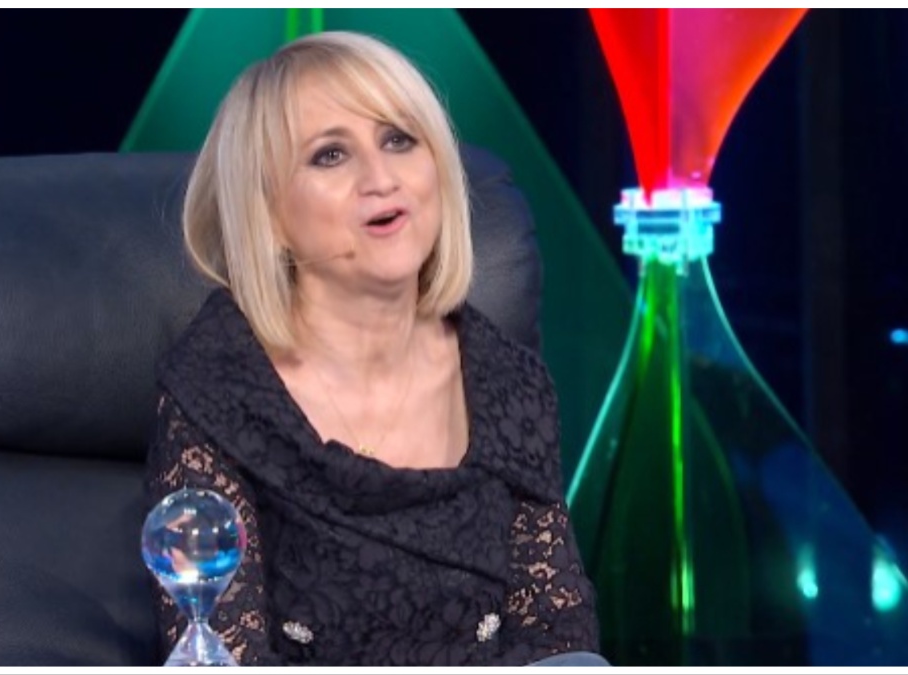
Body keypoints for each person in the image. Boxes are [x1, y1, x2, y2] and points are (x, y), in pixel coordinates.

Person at [146, 30, 606, 667]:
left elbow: (557, 638)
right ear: (268, 214)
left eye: (398, 140)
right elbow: (222, 652)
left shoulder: (509, 383)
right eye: (331, 155)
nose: (381, 178)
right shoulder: (216, 390)